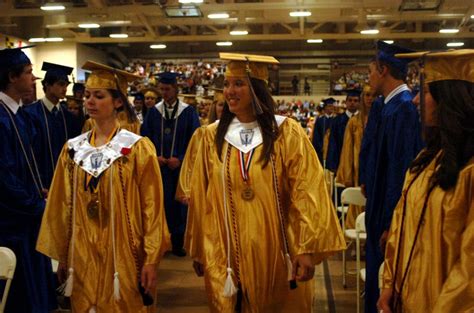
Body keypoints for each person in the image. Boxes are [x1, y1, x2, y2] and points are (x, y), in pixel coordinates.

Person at [186, 52, 345, 312]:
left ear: (257, 89)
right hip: (225, 252)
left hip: (277, 250)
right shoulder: (210, 137)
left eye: (239, 83)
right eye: (227, 84)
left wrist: (305, 247)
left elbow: (305, 191)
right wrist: (199, 247)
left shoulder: (286, 132)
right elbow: (202, 198)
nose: (230, 91)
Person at [36, 60, 170, 313]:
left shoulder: (138, 148)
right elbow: (61, 203)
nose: (89, 101)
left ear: (118, 102)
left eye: (99, 96)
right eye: (87, 95)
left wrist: (152, 257)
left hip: (125, 252)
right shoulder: (73, 149)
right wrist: (63, 253)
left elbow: (152, 207)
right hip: (83, 251)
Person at [377, 49, 474, 313]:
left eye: (427, 92)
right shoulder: (427, 160)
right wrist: (390, 283)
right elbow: (401, 225)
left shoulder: (470, 171)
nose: (416, 100)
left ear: (451, 99)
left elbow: (469, 273)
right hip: (407, 299)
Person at [363, 41, 424, 313]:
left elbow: (401, 171)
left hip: (390, 219)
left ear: (383, 69)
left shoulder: (403, 109)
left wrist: (391, 221)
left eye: (371, 72)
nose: (369, 79)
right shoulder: (388, 107)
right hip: (379, 212)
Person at [0, 46, 57, 313]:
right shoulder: (1, 118)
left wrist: (39, 191)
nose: (33, 78)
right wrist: (36, 205)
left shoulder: (17, 114)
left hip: (27, 217)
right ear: (12, 77)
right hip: (12, 224)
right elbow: (3, 177)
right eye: (28, 72)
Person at [141, 71, 200, 257]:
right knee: (161, 203)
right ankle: (163, 241)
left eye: (167, 89)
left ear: (175, 89)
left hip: (180, 168)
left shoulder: (188, 112)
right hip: (160, 168)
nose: (164, 93)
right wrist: (154, 157)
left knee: (180, 204)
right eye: (162, 89)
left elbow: (195, 140)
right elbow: (145, 139)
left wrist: (181, 158)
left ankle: (178, 242)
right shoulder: (153, 113)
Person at [25, 62, 82, 188]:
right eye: (61, 84)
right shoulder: (29, 114)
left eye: (66, 85)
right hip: (40, 184)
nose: (65, 89)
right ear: (48, 85)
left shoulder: (69, 118)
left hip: (66, 181)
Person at [176, 82, 225, 204]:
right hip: (205, 192)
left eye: (228, 105)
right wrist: (187, 189)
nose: (224, 109)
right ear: (215, 107)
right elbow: (191, 163)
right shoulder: (202, 133)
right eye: (221, 105)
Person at [336, 85, 375, 228]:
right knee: (358, 203)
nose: (370, 99)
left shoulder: (382, 119)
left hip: (376, 168)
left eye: (373, 95)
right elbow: (347, 150)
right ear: (362, 98)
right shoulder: (354, 122)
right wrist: (347, 174)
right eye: (367, 95)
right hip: (359, 169)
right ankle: (356, 242)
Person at [326, 89, 360, 173]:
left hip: (359, 162)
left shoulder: (363, 120)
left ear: (359, 103)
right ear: (346, 102)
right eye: (350, 100)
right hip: (341, 161)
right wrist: (333, 164)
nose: (352, 103)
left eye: (355, 100)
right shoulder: (337, 121)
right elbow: (333, 143)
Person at [311, 97, 335, 167]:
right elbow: (316, 136)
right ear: (325, 108)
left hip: (334, 151)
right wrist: (321, 147)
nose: (331, 108)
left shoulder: (336, 120)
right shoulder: (320, 120)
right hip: (322, 150)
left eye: (332, 106)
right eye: (329, 106)